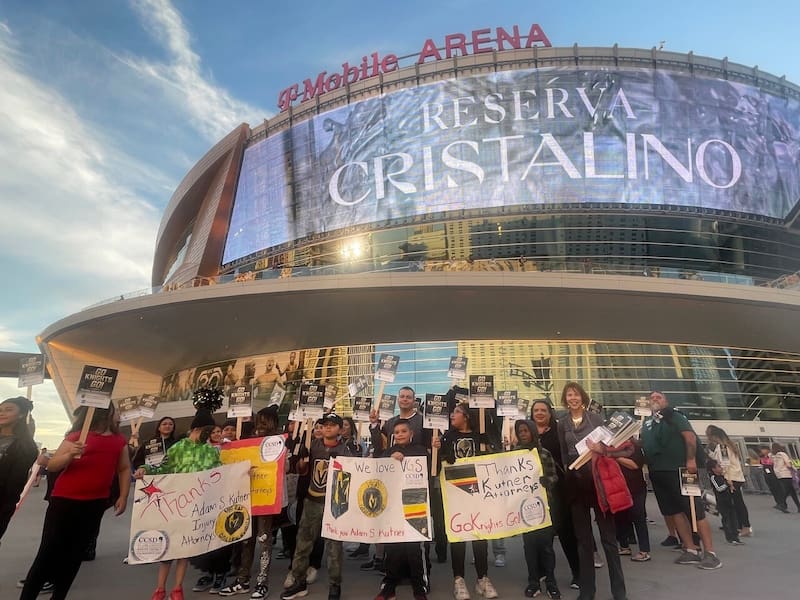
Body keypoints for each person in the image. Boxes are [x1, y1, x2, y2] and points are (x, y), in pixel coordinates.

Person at [20, 403, 130, 600]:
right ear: (105, 412)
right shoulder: (76, 437)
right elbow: (53, 465)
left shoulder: (119, 440)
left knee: (74, 555)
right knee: (47, 553)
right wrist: (70, 454)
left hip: (94, 504)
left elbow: (123, 468)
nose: (119, 414)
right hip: (65, 501)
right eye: (116, 410)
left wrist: (123, 495)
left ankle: (59, 596)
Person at [135, 407, 221, 600]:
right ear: (196, 429)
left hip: (196, 506)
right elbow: (162, 467)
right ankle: (160, 588)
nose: (210, 435)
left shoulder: (210, 451)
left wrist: (242, 473)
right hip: (175, 505)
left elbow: (220, 473)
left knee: (184, 549)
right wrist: (144, 468)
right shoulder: (179, 447)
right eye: (207, 431)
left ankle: (177, 588)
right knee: (169, 548)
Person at [556, 382, 627, 600]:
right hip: (576, 486)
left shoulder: (596, 419)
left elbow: (615, 448)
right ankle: (587, 591)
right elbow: (562, 453)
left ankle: (619, 591)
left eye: (576, 394)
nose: (573, 398)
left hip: (598, 483)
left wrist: (601, 449)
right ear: (565, 399)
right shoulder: (562, 422)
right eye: (569, 395)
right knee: (583, 541)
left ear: (583, 397)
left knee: (608, 539)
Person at [640, 391, 721, 570]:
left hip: (681, 469)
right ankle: (691, 549)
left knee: (694, 509)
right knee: (674, 511)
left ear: (666, 401)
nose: (654, 400)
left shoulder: (675, 416)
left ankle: (710, 552)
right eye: (652, 398)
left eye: (658, 397)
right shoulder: (646, 424)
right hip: (658, 472)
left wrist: (691, 459)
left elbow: (689, 437)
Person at [281, 413, 352, 600]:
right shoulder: (311, 446)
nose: (328, 428)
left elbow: (352, 477)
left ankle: (335, 586)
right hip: (312, 501)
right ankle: (298, 581)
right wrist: (302, 463)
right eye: (324, 424)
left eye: (332, 425)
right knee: (303, 544)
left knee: (334, 547)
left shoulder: (346, 450)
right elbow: (300, 470)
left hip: (333, 504)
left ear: (340, 429)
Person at [433, 402, 498, 600]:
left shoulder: (480, 436)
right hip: (455, 494)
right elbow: (435, 469)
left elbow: (492, 462)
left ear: (467, 416)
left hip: (477, 493)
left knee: (480, 536)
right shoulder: (446, 438)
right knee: (458, 537)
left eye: (456, 412)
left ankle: (482, 578)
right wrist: (438, 451)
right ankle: (459, 580)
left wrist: (490, 448)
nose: (452, 416)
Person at [219, 406, 284, 599]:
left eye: (266, 421)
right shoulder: (248, 438)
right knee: (246, 538)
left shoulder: (279, 441)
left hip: (266, 496)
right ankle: (242, 579)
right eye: (259, 420)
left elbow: (285, 467)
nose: (261, 425)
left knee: (264, 539)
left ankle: (262, 582)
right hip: (247, 496)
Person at [374, 419, 429, 600]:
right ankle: (389, 586)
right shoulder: (389, 452)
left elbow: (429, 468)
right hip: (393, 505)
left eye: (403, 431)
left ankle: (419, 587)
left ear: (411, 433)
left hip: (416, 503)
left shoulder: (420, 450)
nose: (399, 435)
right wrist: (391, 460)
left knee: (414, 547)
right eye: (396, 432)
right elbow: (379, 468)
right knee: (393, 547)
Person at [531, 399, 580, 589]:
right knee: (541, 534)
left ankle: (578, 573)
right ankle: (543, 572)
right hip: (534, 493)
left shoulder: (558, 431)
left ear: (550, 413)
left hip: (558, 489)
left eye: (543, 410)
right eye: (536, 410)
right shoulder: (526, 433)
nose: (540, 413)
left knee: (566, 532)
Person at [515, 418, 560, 599]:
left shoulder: (544, 453)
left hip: (543, 508)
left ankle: (551, 581)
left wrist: (546, 482)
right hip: (523, 509)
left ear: (533, 431)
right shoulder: (514, 454)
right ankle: (533, 581)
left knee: (546, 547)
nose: (523, 434)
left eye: (526, 430)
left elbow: (554, 476)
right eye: (520, 432)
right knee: (530, 547)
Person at [0, 397, 39, 543]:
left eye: (8, 410)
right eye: (0, 410)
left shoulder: (25, 447)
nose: (2, 413)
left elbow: (14, 486)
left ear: (21, 415)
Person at [605, 440, 651, 562]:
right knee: (620, 517)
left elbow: (635, 465)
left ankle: (644, 550)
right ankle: (624, 546)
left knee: (638, 517)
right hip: (618, 488)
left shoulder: (633, 446)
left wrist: (614, 456)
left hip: (636, 487)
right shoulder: (610, 446)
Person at [705, 425, 751, 537]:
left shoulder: (722, 447)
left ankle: (745, 526)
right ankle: (739, 525)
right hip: (736, 477)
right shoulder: (729, 446)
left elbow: (724, 464)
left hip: (731, 478)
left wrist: (725, 478)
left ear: (714, 436)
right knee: (736, 502)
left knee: (736, 503)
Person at [706, 459, 743, 545]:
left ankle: (736, 536)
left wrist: (731, 487)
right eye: (718, 466)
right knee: (727, 519)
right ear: (713, 469)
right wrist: (727, 484)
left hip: (729, 500)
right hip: (722, 502)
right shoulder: (713, 478)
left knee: (734, 518)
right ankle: (730, 538)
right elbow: (718, 489)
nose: (721, 467)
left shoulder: (723, 476)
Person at [772, 443, 800, 512]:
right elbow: (788, 464)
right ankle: (781, 503)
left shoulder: (775, 456)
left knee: (791, 490)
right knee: (787, 490)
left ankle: (798, 507)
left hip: (779, 474)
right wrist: (794, 469)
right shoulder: (783, 454)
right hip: (786, 473)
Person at [757, 445, 786, 511]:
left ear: (767, 450)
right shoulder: (761, 457)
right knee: (772, 489)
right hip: (767, 474)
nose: (762, 451)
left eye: (763, 449)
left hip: (773, 473)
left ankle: (781, 502)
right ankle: (777, 502)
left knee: (777, 488)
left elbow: (774, 463)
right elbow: (761, 463)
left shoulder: (771, 456)